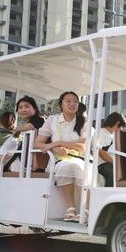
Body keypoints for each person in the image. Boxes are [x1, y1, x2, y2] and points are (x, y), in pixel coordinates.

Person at [0, 96, 45, 214]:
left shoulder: (39, 120)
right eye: (20, 107)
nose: (23, 109)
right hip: (24, 158)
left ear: (34, 109)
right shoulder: (32, 121)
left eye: (26, 106)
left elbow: (29, 126)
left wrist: (17, 130)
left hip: (29, 161)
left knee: (0, 165)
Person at [34, 91, 88, 222]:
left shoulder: (83, 122)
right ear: (61, 104)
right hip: (58, 160)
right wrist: (54, 148)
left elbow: (83, 147)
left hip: (80, 158)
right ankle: (71, 208)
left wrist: (58, 142)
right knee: (66, 167)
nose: (72, 104)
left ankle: (86, 209)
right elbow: (37, 143)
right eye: (68, 101)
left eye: (75, 101)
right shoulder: (52, 120)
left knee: (78, 167)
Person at [96, 112, 126, 187]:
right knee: (113, 173)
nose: (121, 130)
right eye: (121, 127)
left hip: (113, 164)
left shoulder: (113, 135)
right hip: (103, 164)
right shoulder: (100, 132)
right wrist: (115, 163)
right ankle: (107, 193)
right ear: (117, 123)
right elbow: (100, 151)